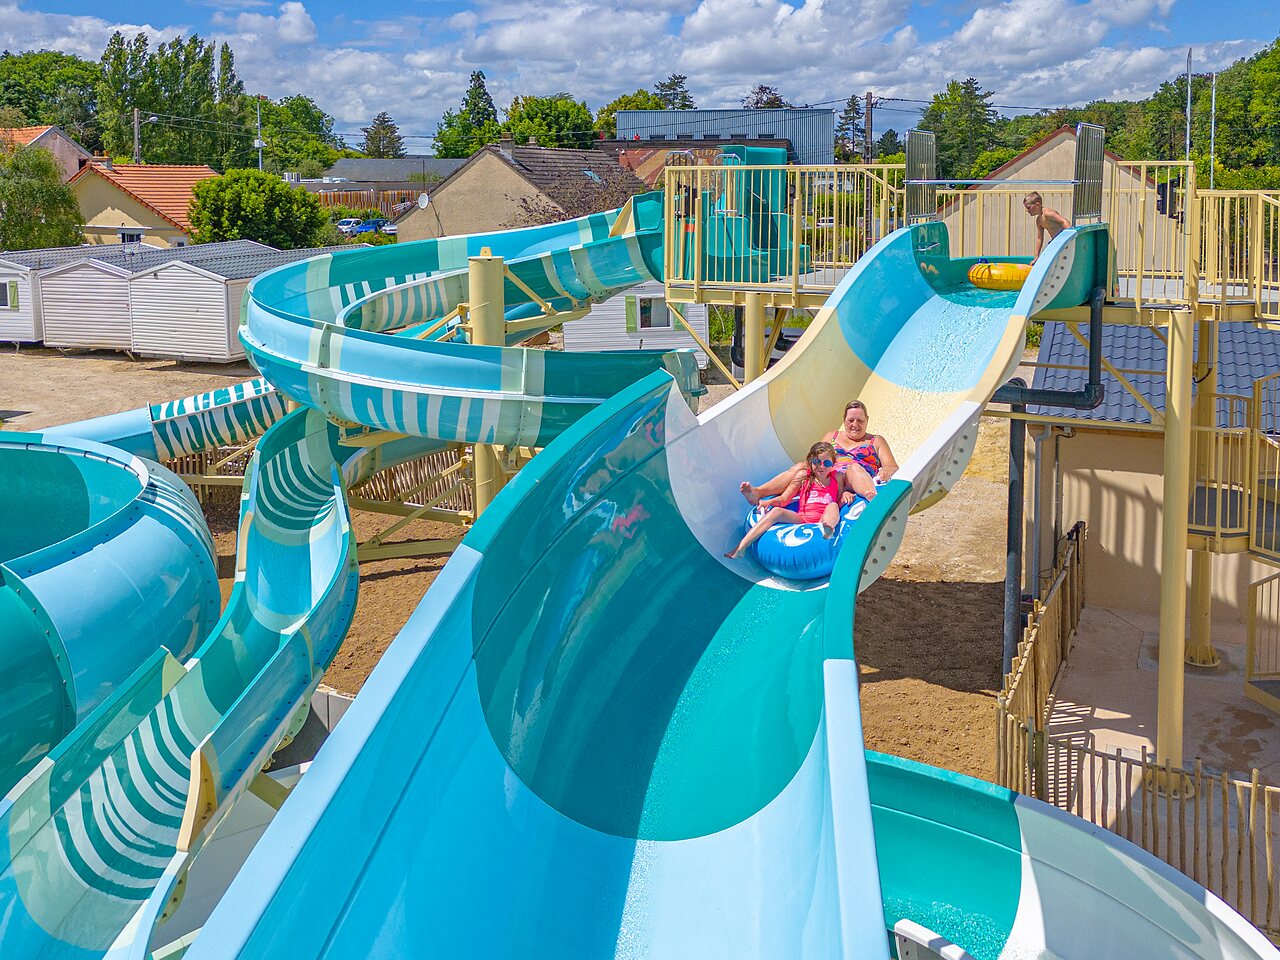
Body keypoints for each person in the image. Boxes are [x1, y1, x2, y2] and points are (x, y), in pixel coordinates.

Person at [739, 400, 898, 506]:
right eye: (851, 420)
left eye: (860, 421)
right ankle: (758, 492)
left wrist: (886, 471)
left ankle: (872, 498)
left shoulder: (875, 441)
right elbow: (813, 459)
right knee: (801, 466)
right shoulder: (832, 436)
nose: (855, 425)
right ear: (844, 420)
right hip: (829, 476)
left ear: (867, 420)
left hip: (855, 479)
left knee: (853, 468)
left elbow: (892, 467)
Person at [725, 442, 854, 560]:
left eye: (826, 463)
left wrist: (846, 494)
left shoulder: (837, 478)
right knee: (776, 512)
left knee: (832, 505)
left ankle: (828, 530)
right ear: (810, 462)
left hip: (823, 519)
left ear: (833, 464)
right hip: (802, 519)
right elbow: (784, 499)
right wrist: (769, 502)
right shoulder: (804, 476)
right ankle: (741, 546)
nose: (821, 466)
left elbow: (838, 502)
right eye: (816, 462)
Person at [1024, 192, 1071, 263]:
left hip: (1064, 240)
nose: (1027, 210)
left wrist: (1071, 237)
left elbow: (1064, 221)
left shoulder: (1048, 213)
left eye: (1028, 207)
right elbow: (1039, 238)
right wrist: (1036, 256)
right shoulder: (1039, 220)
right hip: (1056, 241)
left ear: (1037, 205)